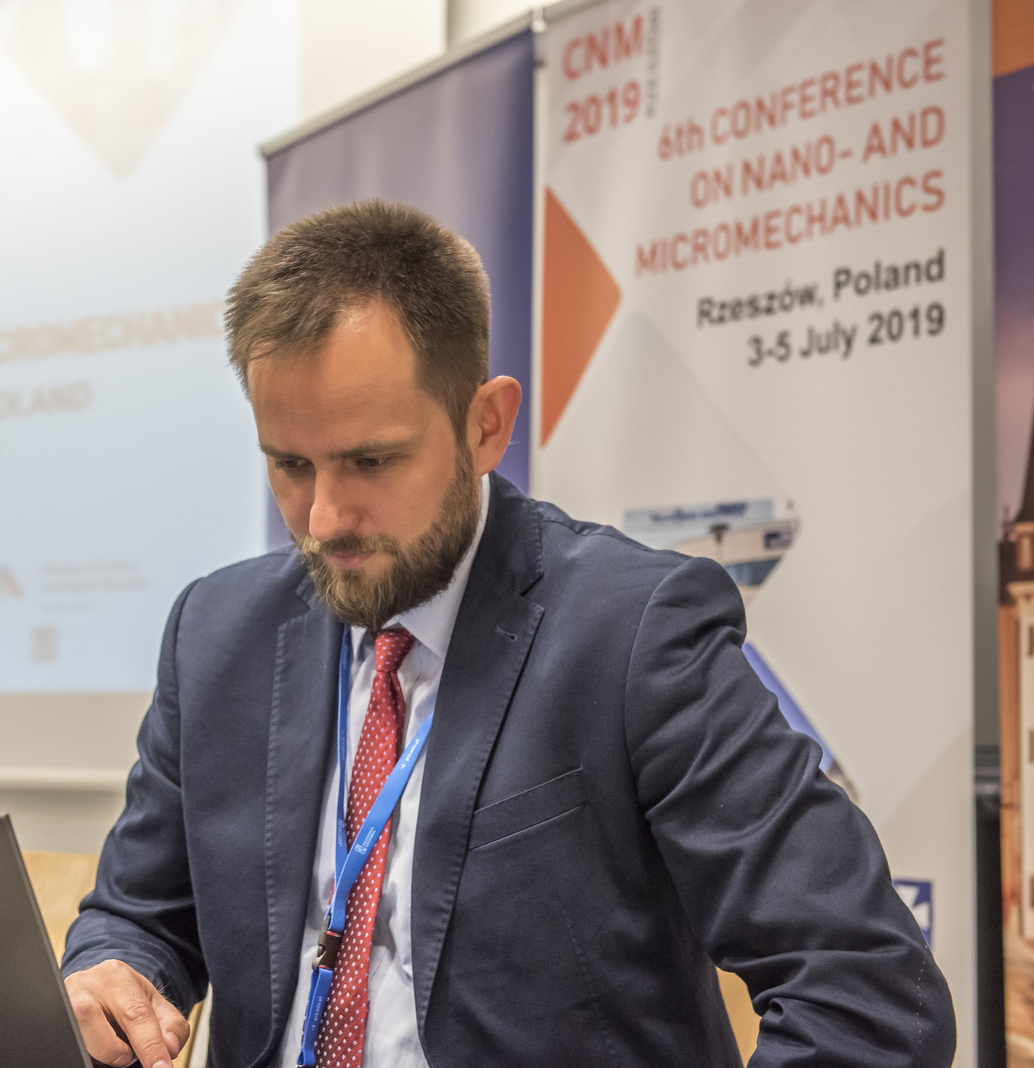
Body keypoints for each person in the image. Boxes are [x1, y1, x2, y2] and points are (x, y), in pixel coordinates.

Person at [60, 200, 954, 1068]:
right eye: (290, 464)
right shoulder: (217, 636)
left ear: (486, 425)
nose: (324, 519)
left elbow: (866, 991)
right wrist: (115, 971)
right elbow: (139, 916)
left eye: (371, 461)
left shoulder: (632, 635)